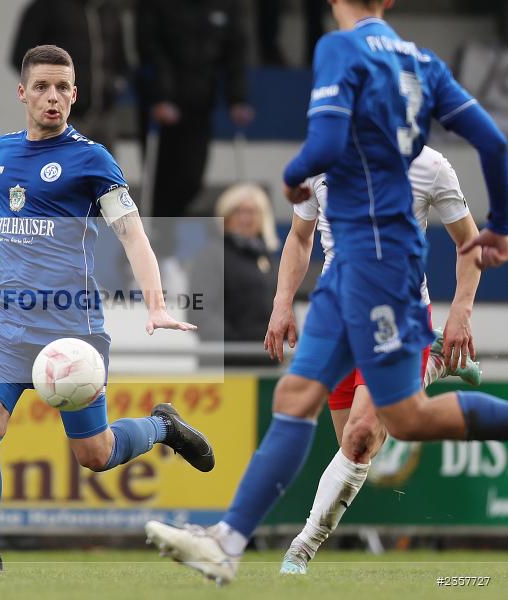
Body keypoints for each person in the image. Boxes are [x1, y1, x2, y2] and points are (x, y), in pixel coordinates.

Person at [145, 0, 508, 585]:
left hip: (389, 283)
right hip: (341, 286)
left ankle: (298, 547)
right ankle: (227, 543)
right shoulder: (423, 65)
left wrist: (294, 172)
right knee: (297, 401)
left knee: (379, 429)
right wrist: (283, 303)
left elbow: (323, 144)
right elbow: (495, 144)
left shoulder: (344, 52)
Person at [0, 45, 214, 573]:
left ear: (75, 94)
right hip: (5, 325)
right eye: (42, 87)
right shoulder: (2, 151)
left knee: (95, 454)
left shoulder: (92, 159)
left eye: (63, 87)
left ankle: (162, 427)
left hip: (71, 331)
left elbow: (132, 233)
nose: (53, 97)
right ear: (22, 92)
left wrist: (155, 305)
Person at [265, 145, 482, 574]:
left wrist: (461, 311)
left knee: (362, 435)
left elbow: (470, 243)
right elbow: (300, 235)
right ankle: (435, 363)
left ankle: (303, 547)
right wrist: (282, 302)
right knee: (362, 442)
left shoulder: (429, 165)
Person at [135, 0, 254, 266]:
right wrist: (161, 97)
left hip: (200, 106)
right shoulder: (157, 6)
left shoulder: (225, 7)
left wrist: (237, 98)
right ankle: (154, 255)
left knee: (192, 180)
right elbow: (148, 47)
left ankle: (164, 250)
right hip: (161, 110)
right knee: (160, 185)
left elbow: (235, 51)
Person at [9, 0, 129, 150]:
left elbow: (121, 61)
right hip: (63, 117)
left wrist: (116, 85)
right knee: (59, 170)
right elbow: (22, 58)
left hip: (105, 116)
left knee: (103, 172)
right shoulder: (47, 7)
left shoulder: (109, 10)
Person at [217, 183, 278, 345]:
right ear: (226, 216)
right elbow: (201, 313)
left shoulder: (266, 256)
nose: (245, 218)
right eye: (238, 211)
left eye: (252, 212)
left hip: (267, 357)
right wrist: (236, 343)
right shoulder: (212, 254)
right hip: (230, 360)